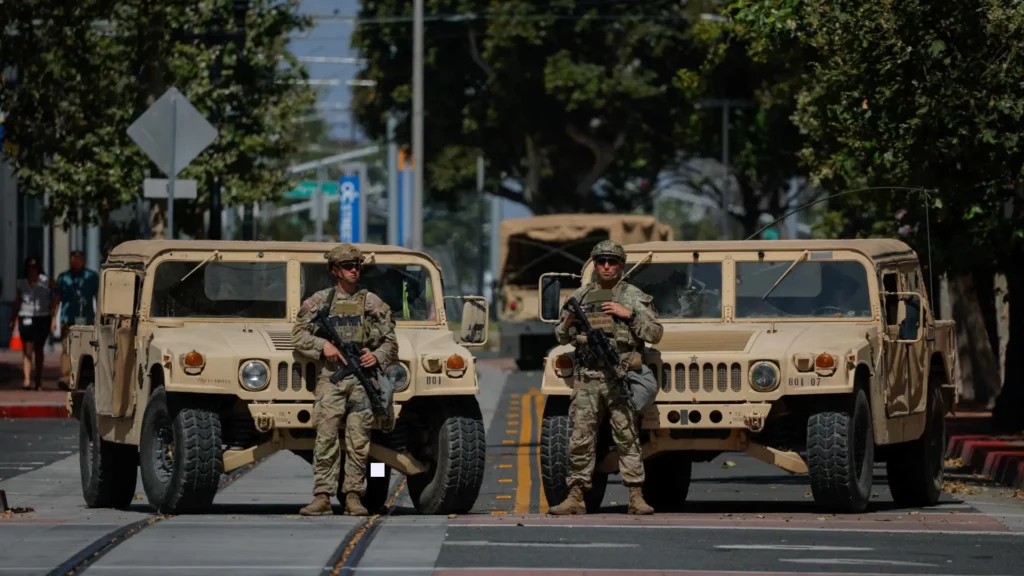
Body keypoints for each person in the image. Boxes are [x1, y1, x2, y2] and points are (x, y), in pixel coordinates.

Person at [548, 240, 663, 516]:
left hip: (619, 375)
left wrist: (628, 315)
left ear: (621, 265)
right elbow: (560, 336)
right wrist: (568, 324)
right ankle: (575, 495)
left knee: (627, 436)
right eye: (602, 261)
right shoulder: (582, 296)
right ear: (595, 265)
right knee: (580, 437)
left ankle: (636, 496)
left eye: (612, 261)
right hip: (587, 377)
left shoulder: (634, 297)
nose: (607, 266)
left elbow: (655, 333)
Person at [291, 244, 398, 516]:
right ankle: (322, 496)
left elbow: (391, 342)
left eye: (357, 266)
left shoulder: (371, 302)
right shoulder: (320, 301)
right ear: (334, 270)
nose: (354, 270)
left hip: (363, 382)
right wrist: (322, 347)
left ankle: (353, 496)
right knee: (325, 438)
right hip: (332, 378)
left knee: (358, 442)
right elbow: (298, 334)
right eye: (348, 266)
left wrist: (377, 356)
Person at [8, 257, 57, 390]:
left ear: (38, 268)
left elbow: (58, 293)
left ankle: (38, 379)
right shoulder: (21, 283)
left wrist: (53, 313)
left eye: (34, 267)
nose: (32, 270)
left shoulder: (45, 281)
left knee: (39, 350)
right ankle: (27, 379)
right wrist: (12, 319)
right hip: (26, 316)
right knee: (27, 348)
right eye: (29, 267)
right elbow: (17, 302)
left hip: (42, 317)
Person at [53, 250, 100, 388]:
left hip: (86, 319)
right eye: (73, 259)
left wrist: (98, 316)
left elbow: (98, 298)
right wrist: (53, 318)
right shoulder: (64, 278)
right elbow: (57, 299)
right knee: (67, 348)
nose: (76, 262)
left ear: (83, 261)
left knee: (85, 349)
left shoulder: (91, 277)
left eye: (79, 259)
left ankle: (83, 376)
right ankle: (66, 377)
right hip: (68, 319)